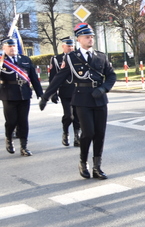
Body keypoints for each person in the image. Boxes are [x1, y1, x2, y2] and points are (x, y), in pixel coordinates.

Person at [40, 24, 116, 179]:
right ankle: (83, 162)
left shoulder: (101, 56)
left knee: (100, 134)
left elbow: (112, 76)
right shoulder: (71, 57)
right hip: (82, 98)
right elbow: (59, 78)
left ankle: (97, 167)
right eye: (87, 37)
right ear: (79, 39)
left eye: (92, 37)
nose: (90, 39)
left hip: (100, 98)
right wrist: (46, 96)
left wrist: (103, 89)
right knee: (88, 132)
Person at [1, 38, 43, 156]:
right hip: (9, 95)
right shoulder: (2, 61)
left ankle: (24, 147)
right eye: (9, 46)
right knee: (11, 121)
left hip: (24, 94)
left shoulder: (25, 60)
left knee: (23, 121)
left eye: (13, 46)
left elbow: (34, 78)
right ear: (3, 48)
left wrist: (40, 93)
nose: (12, 48)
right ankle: (8, 138)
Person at [48, 37, 81, 146]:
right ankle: (65, 132)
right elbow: (53, 77)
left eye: (72, 46)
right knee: (69, 116)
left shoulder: (78, 57)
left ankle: (77, 136)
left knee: (78, 116)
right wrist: (53, 93)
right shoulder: (56, 59)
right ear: (63, 47)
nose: (71, 48)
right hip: (65, 91)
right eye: (68, 46)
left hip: (77, 90)